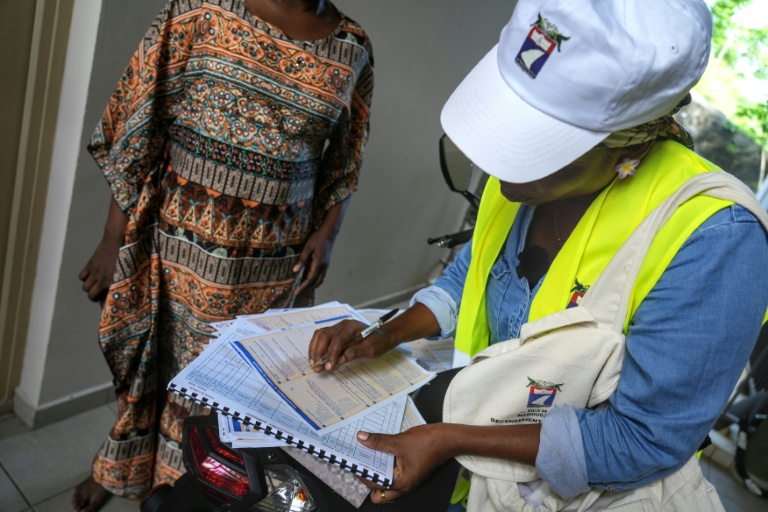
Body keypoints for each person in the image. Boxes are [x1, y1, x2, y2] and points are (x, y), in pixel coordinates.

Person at [308, 0, 768, 509]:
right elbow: (473, 281)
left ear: (626, 147)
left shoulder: (716, 237)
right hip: (474, 461)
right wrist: (386, 333)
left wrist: (453, 438)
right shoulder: (523, 188)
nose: (501, 172)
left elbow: (642, 438)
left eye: (534, 145)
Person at [73, 0, 373, 510]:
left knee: (226, 396)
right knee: (155, 366)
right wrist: (111, 237)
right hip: (179, 245)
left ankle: (175, 491)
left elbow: (347, 156)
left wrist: (328, 233)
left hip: (274, 267)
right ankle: (119, 465)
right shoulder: (203, 10)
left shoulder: (354, 47)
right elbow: (140, 113)